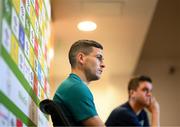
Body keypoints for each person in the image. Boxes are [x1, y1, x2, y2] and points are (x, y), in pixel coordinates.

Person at [53, 40, 105, 126]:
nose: (103, 65)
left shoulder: (72, 85)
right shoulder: (76, 88)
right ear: (81, 58)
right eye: (99, 57)